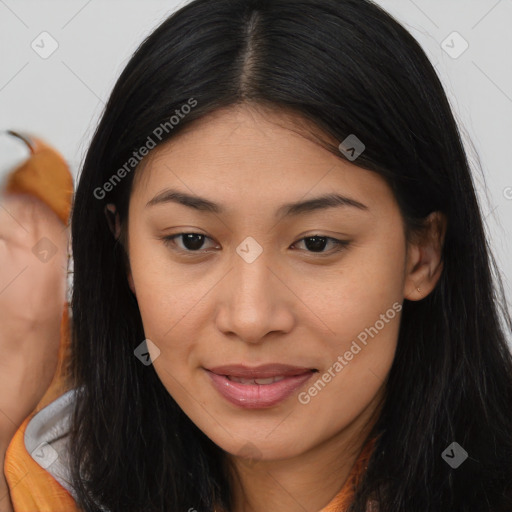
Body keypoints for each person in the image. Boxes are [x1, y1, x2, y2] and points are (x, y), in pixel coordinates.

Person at [10, 0, 512, 510]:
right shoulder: (33, 481)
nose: (251, 319)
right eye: (191, 240)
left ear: (421, 255)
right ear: (124, 252)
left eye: (317, 243)